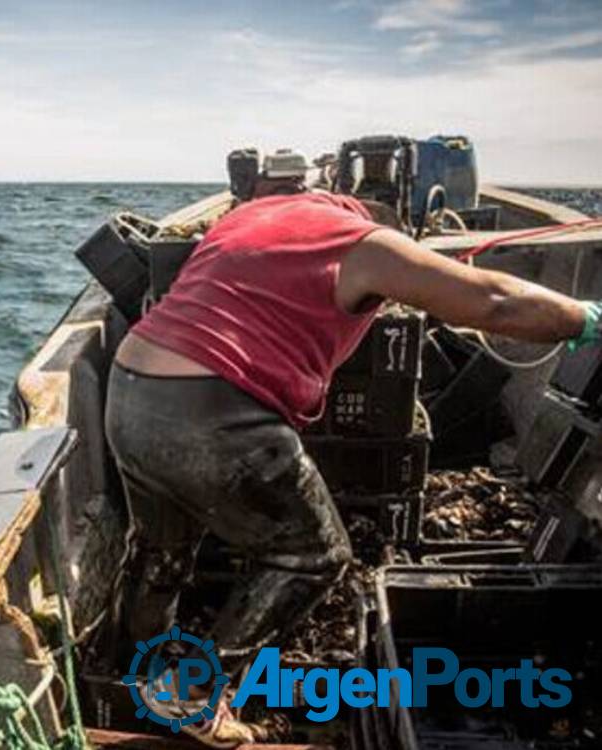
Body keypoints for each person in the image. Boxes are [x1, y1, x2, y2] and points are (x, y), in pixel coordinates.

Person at [103, 191, 595, 746]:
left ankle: (133, 673)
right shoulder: (367, 242)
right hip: (212, 406)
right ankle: (191, 698)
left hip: (130, 390)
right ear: (386, 222)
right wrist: (583, 319)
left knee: (159, 551)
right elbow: (495, 303)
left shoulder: (251, 215)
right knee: (312, 555)